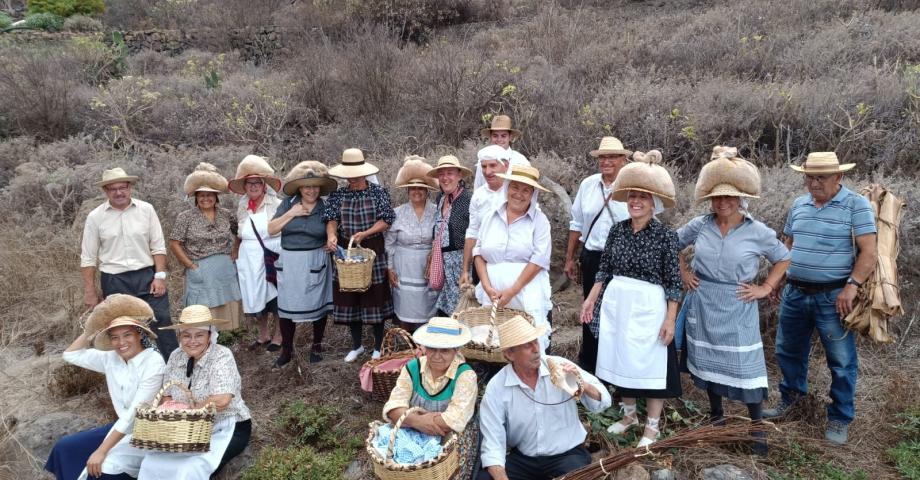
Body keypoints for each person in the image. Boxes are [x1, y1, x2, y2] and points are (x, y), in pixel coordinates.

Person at [677, 146, 790, 454]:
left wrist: (766, 287)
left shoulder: (758, 231)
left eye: (729, 197)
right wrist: (684, 272)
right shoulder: (700, 225)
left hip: (738, 303)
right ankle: (716, 420)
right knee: (707, 362)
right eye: (717, 197)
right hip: (703, 298)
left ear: (741, 198)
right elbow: (670, 244)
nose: (722, 203)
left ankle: (757, 433)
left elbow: (783, 258)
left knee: (746, 367)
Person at [764, 151, 877, 445]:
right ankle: (792, 402)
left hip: (833, 296)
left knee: (840, 361)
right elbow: (788, 244)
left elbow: (869, 252)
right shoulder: (799, 205)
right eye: (809, 177)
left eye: (821, 177)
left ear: (838, 177)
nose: (813, 183)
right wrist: (778, 280)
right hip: (795, 293)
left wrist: (851, 286)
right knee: (788, 351)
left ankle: (839, 417)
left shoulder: (856, 205)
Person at [580, 150, 682, 448]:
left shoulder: (665, 236)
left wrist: (670, 318)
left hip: (649, 305)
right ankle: (628, 416)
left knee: (649, 362)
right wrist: (590, 300)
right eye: (633, 196)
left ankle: (652, 427)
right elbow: (604, 269)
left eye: (644, 197)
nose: (636, 201)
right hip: (616, 303)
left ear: (655, 203)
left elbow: (674, 282)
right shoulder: (617, 230)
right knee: (619, 355)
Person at [46, 294, 165, 480]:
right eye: (115, 337)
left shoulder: (153, 362)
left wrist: (101, 451)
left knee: (103, 468)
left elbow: (135, 414)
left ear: (139, 334)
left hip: (145, 432)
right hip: (120, 427)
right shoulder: (111, 358)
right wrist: (94, 325)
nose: (121, 342)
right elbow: (70, 355)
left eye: (127, 335)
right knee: (65, 448)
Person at [478, 315, 610, 480]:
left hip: (567, 455)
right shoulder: (497, 387)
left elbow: (603, 401)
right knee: (484, 478)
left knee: (576, 476)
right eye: (527, 345)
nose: (536, 349)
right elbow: (492, 442)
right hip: (524, 460)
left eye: (536, 341)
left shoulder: (559, 366)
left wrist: (582, 384)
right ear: (509, 355)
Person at [137, 305, 252, 479]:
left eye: (199, 335)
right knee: (152, 462)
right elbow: (166, 395)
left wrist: (188, 413)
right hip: (184, 430)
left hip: (226, 426)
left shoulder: (221, 355)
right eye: (186, 335)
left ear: (210, 336)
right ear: (179, 336)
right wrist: (172, 416)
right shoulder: (176, 356)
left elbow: (222, 400)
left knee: (190, 467)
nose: (192, 341)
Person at [81, 167, 178, 358]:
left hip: (147, 276)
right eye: (113, 189)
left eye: (123, 187)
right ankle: (140, 374)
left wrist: (159, 276)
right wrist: (90, 291)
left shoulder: (146, 209)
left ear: (130, 187)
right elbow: (88, 257)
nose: (119, 192)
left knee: (162, 320)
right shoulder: (95, 217)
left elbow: (158, 246)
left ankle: (176, 371)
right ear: (105, 191)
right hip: (115, 280)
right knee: (125, 329)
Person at [564, 136, 632, 373]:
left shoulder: (632, 184)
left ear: (623, 159)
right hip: (592, 257)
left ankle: (617, 370)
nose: (606, 161)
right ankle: (590, 368)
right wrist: (570, 258)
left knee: (619, 313)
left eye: (612, 157)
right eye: (603, 157)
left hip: (625, 261)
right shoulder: (588, 185)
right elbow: (577, 223)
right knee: (590, 312)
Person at [382, 317, 479, 477]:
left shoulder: (465, 375)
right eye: (432, 348)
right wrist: (418, 422)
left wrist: (409, 419)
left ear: (456, 350)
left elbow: (453, 420)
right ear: (424, 347)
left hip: (447, 438)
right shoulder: (413, 368)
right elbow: (393, 407)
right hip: (413, 431)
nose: (436, 356)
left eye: (445, 350)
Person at [325, 148, 397, 362]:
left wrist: (365, 233)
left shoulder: (378, 192)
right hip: (347, 249)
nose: (353, 179)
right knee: (350, 294)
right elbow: (331, 220)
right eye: (349, 176)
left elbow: (386, 219)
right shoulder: (338, 195)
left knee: (374, 296)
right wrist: (331, 236)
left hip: (372, 248)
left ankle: (377, 346)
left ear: (364, 173)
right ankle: (356, 346)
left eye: (356, 175)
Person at [473, 165, 553, 352]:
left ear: (533, 194)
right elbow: (478, 253)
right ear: (507, 188)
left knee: (528, 340)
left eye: (526, 190)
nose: (519, 194)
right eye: (515, 187)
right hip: (493, 293)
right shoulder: (490, 217)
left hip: (525, 292)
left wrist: (512, 291)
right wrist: (486, 285)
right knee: (495, 343)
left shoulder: (540, 221)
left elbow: (538, 260)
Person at [267, 161, 338, 367]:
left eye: (315, 186)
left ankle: (316, 345)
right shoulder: (288, 204)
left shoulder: (324, 206)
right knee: (287, 307)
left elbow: (331, 223)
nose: (311, 190)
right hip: (290, 261)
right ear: (299, 187)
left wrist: (330, 236)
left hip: (315, 259)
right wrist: (292, 214)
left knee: (318, 304)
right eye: (307, 186)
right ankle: (286, 350)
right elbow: (271, 229)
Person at [169, 163, 242, 329]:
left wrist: (235, 251)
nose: (205, 198)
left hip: (224, 269)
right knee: (200, 316)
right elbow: (174, 243)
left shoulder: (225, 214)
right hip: (199, 269)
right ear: (195, 196)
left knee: (224, 315)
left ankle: (220, 345)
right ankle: (201, 346)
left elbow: (240, 232)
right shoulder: (185, 217)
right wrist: (190, 266)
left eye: (210, 195)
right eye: (201, 195)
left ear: (216, 196)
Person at [228, 155, 283, 352]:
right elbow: (240, 232)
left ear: (263, 184)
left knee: (274, 295)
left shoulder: (276, 203)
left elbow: (281, 228)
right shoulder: (242, 205)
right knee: (253, 295)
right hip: (248, 257)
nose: (253, 186)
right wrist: (235, 250)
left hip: (270, 253)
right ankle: (263, 335)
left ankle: (278, 336)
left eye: (257, 182)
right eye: (249, 183)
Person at [384, 156, 439, 331]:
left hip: (428, 267)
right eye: (413, 188)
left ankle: (423, 345)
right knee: (405, 306)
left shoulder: (437, 212)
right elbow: (390, 243)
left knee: (427, 306)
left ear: (427, 190)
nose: (417, 191)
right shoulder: (397, 213)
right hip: (404, 266)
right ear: (407, 191)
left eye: (421, 188)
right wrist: (390, 268)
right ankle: (406, 345)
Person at [428, 155, 474, 317]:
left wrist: (465, 270)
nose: (445, 178)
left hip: (461, 267)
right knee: (446, 314)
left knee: (462, 314)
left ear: (459, 176)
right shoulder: (440, 198)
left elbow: (475, 235)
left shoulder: (469, 199)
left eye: (450, 173)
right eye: (441, 174)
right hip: (444, 266)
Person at [460, 145, 511, 289]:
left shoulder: (514, 193)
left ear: (505, 165)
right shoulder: (478, 195)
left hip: (509, 266)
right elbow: (472, 232)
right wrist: (465, 270)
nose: (487, 171)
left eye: (492, 166)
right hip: (481, 265)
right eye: (484, 167)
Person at [473, 115, 531, 189]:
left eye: (503, 136)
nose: (499, 140)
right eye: (495, 136)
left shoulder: (521, 161)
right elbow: (478, 187)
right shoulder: (484, 159)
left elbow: (527, 190)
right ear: (490, 137)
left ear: (510, 137)